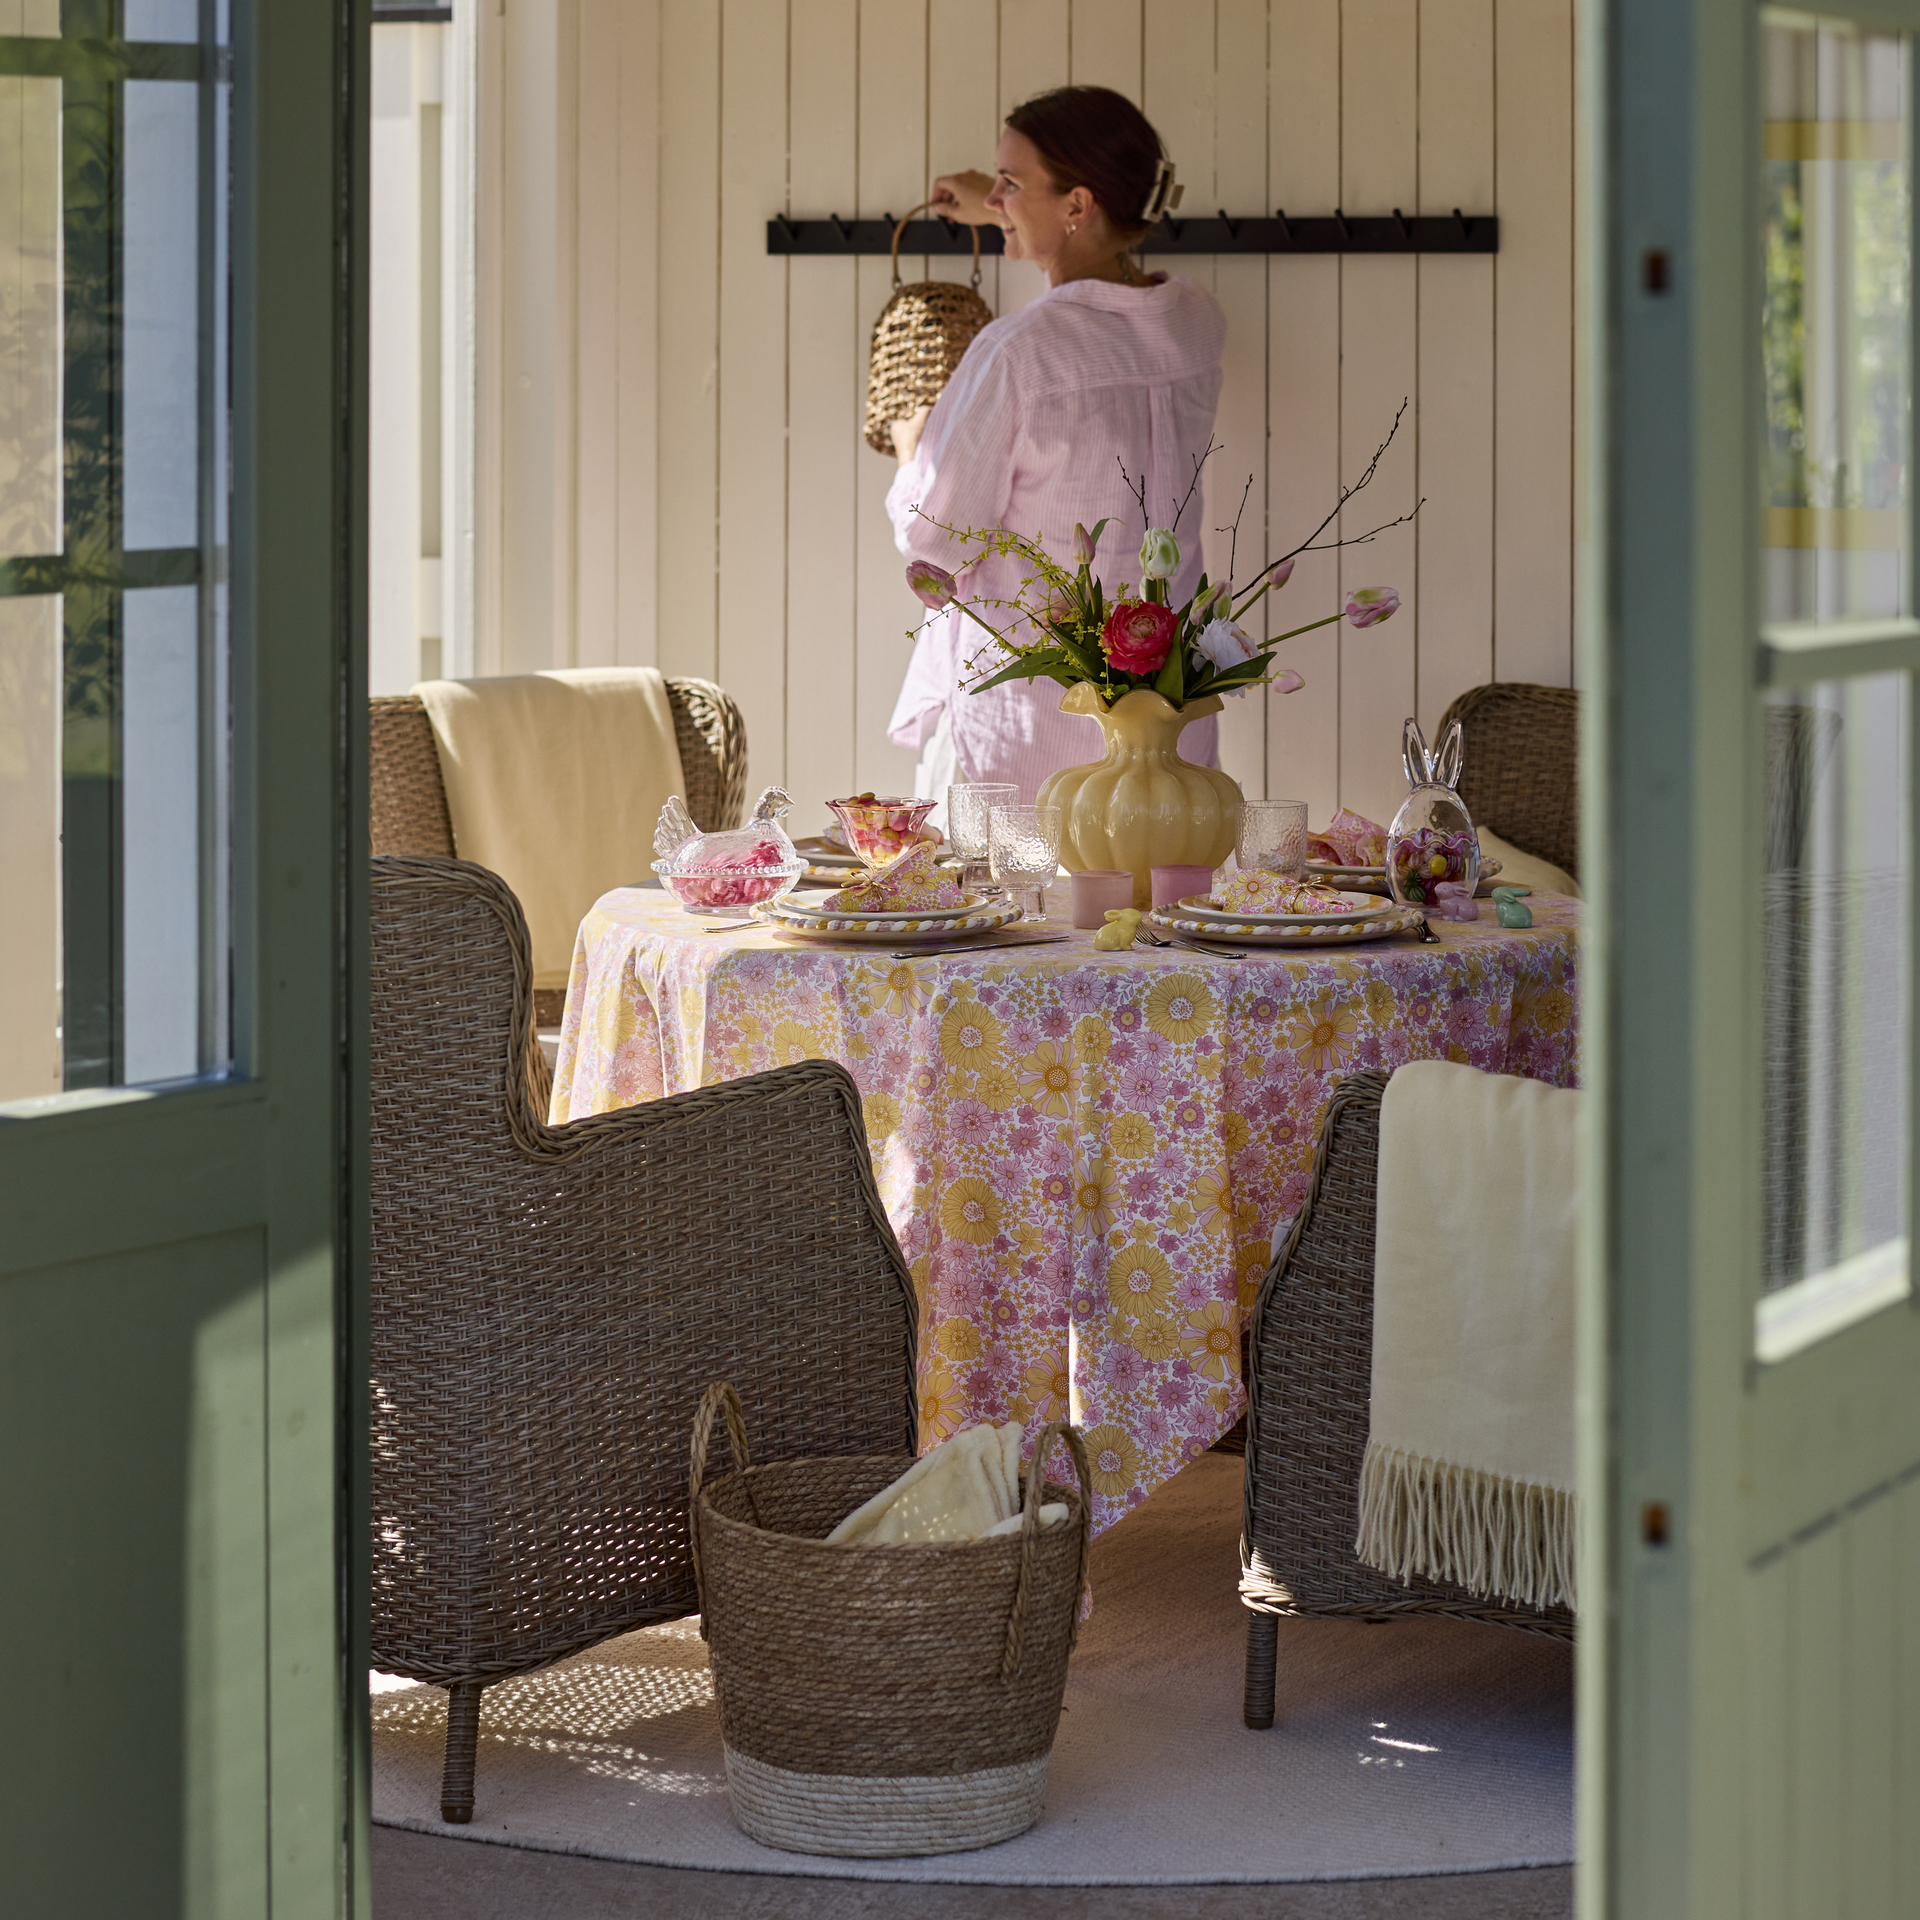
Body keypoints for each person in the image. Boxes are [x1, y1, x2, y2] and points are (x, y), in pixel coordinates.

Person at [886, 85, 1227, 808]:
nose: (997, 196)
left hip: (1032, 730)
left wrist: (914, 450)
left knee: (1023, 914)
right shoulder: (1194, 324)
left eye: (1010, 182)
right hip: (1168, 725)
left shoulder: (1018, 354)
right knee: (1164, 902)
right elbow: (1108, 278)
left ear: (1077, 205)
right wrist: (1008, 202)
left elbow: (936, 540)